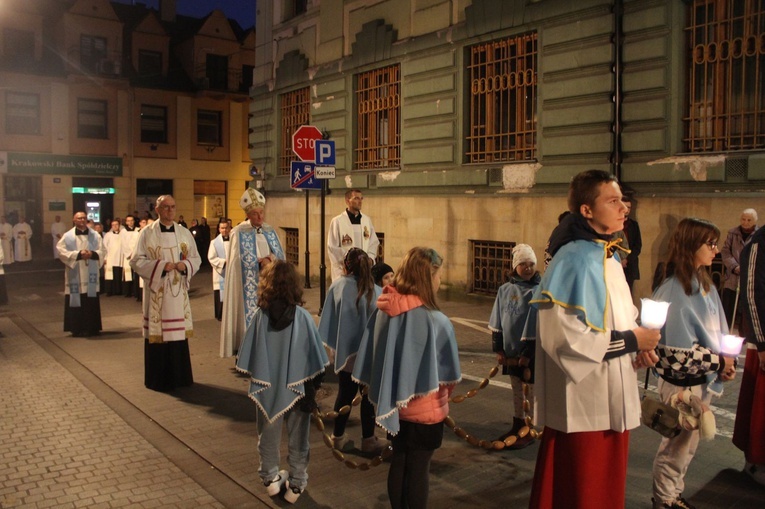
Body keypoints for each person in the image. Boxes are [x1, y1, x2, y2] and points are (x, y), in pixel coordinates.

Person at [528, 169, 661, 509]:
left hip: (613, 393)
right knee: (583, 492)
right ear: (586, 210)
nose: (624, 207)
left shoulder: (609, 256)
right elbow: (564, 341)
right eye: (613, 200)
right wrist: (633, 341)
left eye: (623, 200)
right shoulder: (572, 259)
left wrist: (640, 347)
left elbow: (622, 317)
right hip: (586, 402)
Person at [353, 247, 461, 509]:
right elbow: (448, 376)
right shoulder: (437, 321)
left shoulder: (383, 311)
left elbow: (373, 356)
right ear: (427, 278)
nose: (439, 282)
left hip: (395, 410)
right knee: (419, 470)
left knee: (400, 463)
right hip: (426, 411)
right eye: (437, 276)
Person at [650, 218, 737, 509]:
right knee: (676, 447)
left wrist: (726, 361)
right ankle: (664, 499)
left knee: (687, 447)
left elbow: (717, 332)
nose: (715, 250)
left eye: (716, 243)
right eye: (710, 243)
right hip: (681, 384)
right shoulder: (675, 290)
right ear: (690, 245)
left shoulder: (705, 285)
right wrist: (718, 361)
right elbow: (674, 355)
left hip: (700, 380)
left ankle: (673, 494)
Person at [235, 260, 329, 504]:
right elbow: (317, 359)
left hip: (268, 387)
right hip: (298, 388)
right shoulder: (303, 318)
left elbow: (250, 356)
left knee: (267, 432)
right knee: (299, 437)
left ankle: (270, 479)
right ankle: (296, 484)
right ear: (294, 285)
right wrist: (313, 387)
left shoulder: (259, 317)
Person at [319, 248, 387, 454]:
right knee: (367, 398)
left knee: (345, 394)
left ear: (346, 266)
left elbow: (328, 320)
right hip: (368, 355)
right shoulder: (377, 291)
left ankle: (337, 437)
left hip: (346, 355)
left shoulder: (338, 286)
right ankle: (368, 439)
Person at [130, 195, 201, 392]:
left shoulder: (184, 232)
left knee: (178, 336)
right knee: (158, 336)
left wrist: (183, 265)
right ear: (157, 210)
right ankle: (158, 379)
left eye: (173, 207)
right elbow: (136, 261)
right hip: (157, 293)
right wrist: (162, 266)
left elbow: (196, 258)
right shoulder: (146, 233)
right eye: (166, 207)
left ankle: (180, 377)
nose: (170, 211)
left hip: (178, 293)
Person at [220, 189, 285, 358]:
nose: (260, 217)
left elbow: (280, 256)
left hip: (269, 284)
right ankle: (247, 355)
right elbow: (235, 261)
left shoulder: (269, 230)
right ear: (248, 215)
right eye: (255, 214)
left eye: (261, 212)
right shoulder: (238, 232)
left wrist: (269, 261)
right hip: (248, 286)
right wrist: (257, 262)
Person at [488, 243, 540, 449]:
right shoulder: (505, 290)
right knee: (517, 389)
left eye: (531, 264)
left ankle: (529, 428)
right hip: (510, 351)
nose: (527, 268)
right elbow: (498, 319)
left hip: (529, 354)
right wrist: (498, 349)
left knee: (530, 391)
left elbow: (535, 325)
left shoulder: (538, 291)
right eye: (523, 264)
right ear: (515, 266)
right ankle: (517, 423)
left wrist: (527, 353)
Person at [732, 219, 765, 486]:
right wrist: (761, 342)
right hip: (763, 341)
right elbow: (752, 294)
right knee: (759, 411)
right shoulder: (757, 243)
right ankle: (756, 463)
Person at [56, 212, 105, 337]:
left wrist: (92, 254)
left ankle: (92, 328)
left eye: (83, 218)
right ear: (74, 220)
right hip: (75, 272)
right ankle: (76, 328)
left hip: (90, 272)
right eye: (79, 218)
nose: (82, 220)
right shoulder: (67, 236)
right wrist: (78, 254)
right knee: (75, 299)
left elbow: (103, 250)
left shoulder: (95, 235)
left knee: (91, 300)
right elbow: (61, 251)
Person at [327, 189, 380, 281]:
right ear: (347, 201)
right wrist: (350, 262)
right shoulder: (337, 221)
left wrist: (370, 259)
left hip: (364, 270)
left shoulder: (366, 220)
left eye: (361, 198)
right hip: (344, 271)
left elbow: (373, 242)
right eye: (356, 198)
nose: (360, 201)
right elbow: (332, 247)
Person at [721, 208, 758, 328]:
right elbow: (725, 252)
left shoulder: (759, 235)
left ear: (754, 221)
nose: (746, 222)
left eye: (749, 220)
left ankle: (745, 337)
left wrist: (748, 268)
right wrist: (734, 267)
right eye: (743, 219)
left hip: (750, 279)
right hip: (732, 278)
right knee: (728, 309)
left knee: (746, 313)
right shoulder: (733, 233)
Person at [208, 220, 231, 321]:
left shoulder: (234, 241)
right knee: (220, 294)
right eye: (222, 228)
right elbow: (211, 257)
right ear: (219, 229)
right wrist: (224, 262)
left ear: (229, 228)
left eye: (226, 228)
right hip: (221, 273)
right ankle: (220, 315)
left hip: (231, 273)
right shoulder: (214, 243)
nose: (224, 230)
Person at [622, 195, 643, 292]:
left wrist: (627, 259)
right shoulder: (613, 224)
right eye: (625, 207)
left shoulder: (634, 225)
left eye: (629, 207)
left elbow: (637, 246)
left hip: (630, 265)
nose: (627, 210)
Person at [102, 220, 125, 296]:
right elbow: (104, 247)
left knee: (118, 274)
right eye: (113, 225)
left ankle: (119, 291)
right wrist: (105, 257)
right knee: (110, 274)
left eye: (116, 224)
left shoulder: (123, 234)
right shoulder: (108, 235)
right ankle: (109, 291)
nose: (115, 226)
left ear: (119, 225)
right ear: (111, 226)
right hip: (110, 257)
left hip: (120, 258)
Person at [121, 215, 140, 298]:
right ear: (126, 222)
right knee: (128, 273)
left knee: (135, 273)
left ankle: (135, 292)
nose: (130, 222)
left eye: (132, 220)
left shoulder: (138, 230)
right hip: (128, 255)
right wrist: (129, 253)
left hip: (136, 254)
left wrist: (135, 253)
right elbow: (123, 244)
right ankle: (127, 292)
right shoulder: (123, 231)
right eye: (128, 220)